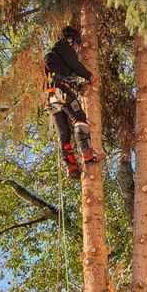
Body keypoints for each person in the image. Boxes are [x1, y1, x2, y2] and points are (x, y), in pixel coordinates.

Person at [44, 25, 98, 179]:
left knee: (63, 133)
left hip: (50, 96)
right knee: (79, 118)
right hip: (61, 89)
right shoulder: (62, 46)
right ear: (70, 38)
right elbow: (74, 65)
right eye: (73, 42)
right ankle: (87, 154)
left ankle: (71, 167)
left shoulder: (50, 57)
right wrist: (89, 76)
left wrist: (77, 85)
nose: (74, 45)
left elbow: (61, 74)